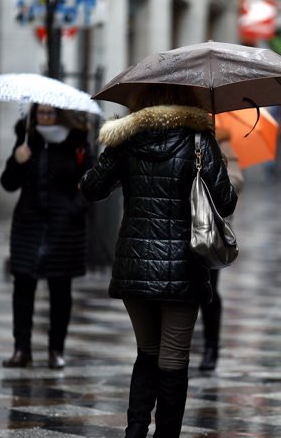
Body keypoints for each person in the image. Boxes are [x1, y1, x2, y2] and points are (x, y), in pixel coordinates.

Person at [80, 87, 237, 438]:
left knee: (147, 351)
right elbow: (225, 203)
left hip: (134, 264)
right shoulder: (200, 140)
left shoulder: (125, 139)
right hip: (183, 268)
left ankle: (135, 430)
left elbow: (91, 188)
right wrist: (217, 167)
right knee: (173, 359)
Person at [0, 103, 92, 370]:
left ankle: (56, 350)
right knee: (23, 285)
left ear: (60, 114)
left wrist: (74, 207)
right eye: (41, 113)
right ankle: (22, 349)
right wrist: (17, 161)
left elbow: (90, 181)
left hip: (64, 227)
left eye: (51, 113)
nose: (46, 118)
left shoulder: (77, 142)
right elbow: (8, 183)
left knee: (60, 290)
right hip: (29, 224)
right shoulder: (27, 139)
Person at [198, 127, 244, 371]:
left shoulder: (220, 139)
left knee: (209, 290)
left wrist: (216, 171)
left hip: (210, 229)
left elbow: (236, 181)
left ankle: (210, 347)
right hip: (181, 228)